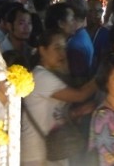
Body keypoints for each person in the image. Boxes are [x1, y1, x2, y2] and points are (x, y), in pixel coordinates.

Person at [21, 29, 98, 166]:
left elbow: (54, 112)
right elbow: (80, 95)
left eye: (64, 48)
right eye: (57, 48)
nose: (62, 53)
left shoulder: (50, 74)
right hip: (37, 155)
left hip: (53, 150)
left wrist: (76, 112)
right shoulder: (41, 76)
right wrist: (104, 75)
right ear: (42, 50)